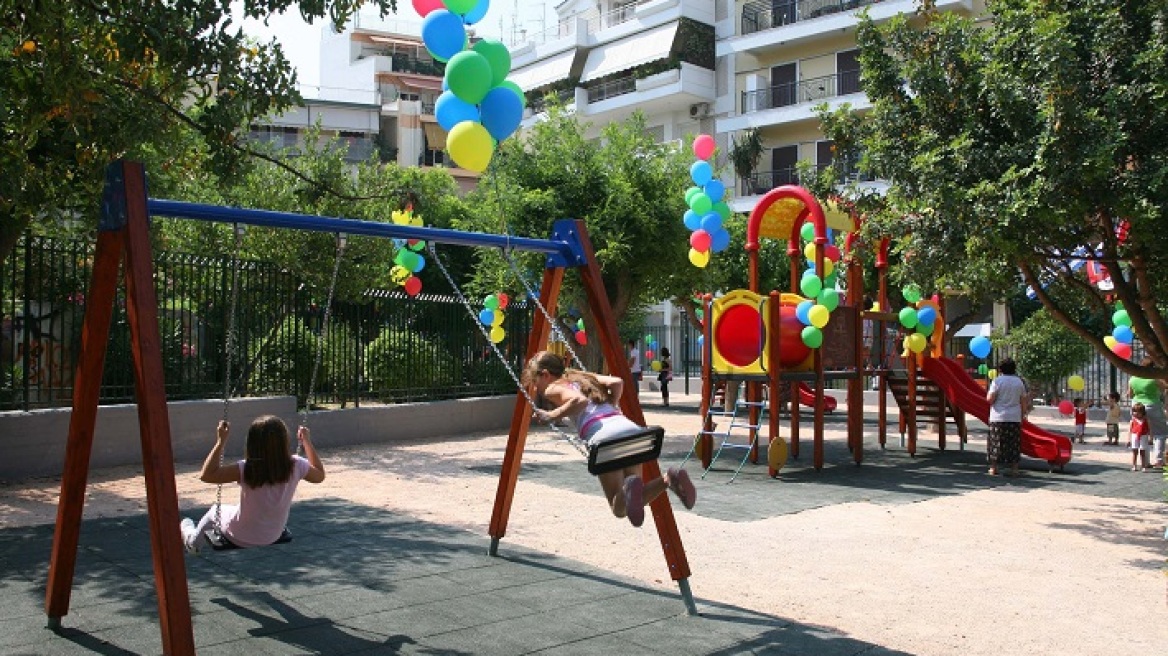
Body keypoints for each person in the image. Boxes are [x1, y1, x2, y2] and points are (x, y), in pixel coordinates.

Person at [522, 351, 696, 527]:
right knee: (634, 497)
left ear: (545, 374)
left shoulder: (553, 387)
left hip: (605, 438)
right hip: (631, 430)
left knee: (618, 508)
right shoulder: (582, 377)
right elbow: (617, 382)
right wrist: (612, 403)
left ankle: (631, 486)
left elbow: (578, 401)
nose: (537, 389)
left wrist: (552, 415)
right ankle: (668, 479)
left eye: (536, 383)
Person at [180, 415, 325, 553]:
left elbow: (207, 475)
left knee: (214, 511)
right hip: (272, 535)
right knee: (235, 510)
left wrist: (220, 442)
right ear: (284, 441)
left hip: (238, 535)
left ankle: (193, 543)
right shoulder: (296, 465)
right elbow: (319, 475)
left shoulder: (246, 467)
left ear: (252, 443)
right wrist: (307, 441)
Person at [985, 358, 1029, 477]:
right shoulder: (1019, 382)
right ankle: (1014, 468)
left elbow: (990, 399)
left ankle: (994, 467)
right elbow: (1023, 400)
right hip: (1014, 416)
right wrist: (1023, 414)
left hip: (998, 416)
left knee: (996, 442)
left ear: (1000, 369)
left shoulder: (997, 381)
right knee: (1013, 442)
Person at [1127, 357, 1167, 468]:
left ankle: (1146, 462)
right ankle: (1159, 460)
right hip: (1153, 405)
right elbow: (1164, 387)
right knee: (1160, 433)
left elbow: (1130, 394)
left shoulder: (1133, 378)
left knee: (1143, 433)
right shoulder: (1154, 378)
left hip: (1137, 407)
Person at [1128, 402, 1152, 471]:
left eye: (1138, 411)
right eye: (1134, 411)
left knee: (1142, 452)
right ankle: (1134, 465)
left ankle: (1143, 466)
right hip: (1134, 436)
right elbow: (1129, 430)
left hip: (1143, 436)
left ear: (1142, 412)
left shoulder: (1146, 420)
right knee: (1135, 452)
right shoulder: (1132, 420)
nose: (1136, 413)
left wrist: (1151, 438)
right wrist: (1128, 440)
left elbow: (1150, 429)